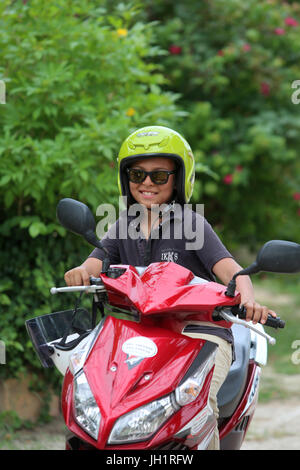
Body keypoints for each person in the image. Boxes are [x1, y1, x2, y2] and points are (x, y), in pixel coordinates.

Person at [64, 125, 276, 449]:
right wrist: (79, 272)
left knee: (196, 403)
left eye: (159, 176)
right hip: (139, 334)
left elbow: (236, 273)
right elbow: (94, 263)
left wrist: (248, 301)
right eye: (137, 175)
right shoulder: (123, 225)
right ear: (126, 179)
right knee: (98, 396)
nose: (146, 183)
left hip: (199, 335)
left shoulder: (192, 225)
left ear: (177, 179)